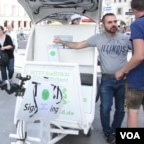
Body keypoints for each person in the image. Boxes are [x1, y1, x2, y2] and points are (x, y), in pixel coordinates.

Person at [53, 13, 132, 144]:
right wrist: (62, 41)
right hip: (106, 80)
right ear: (103, 24)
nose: (114, 24)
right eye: (110, 22)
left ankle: (114, 130)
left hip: (123, 81)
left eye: (115, 21)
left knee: (121, 109)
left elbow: (139, 51)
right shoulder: (98, 38)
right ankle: (107, 132)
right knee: (105, 108)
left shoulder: (125, 38)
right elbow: (79, 45)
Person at [115, 0, 144, 128]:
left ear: (134, 10)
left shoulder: (138, 24)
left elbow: (139, 56)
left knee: (133, 112)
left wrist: (122, 71)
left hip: (138, 79)